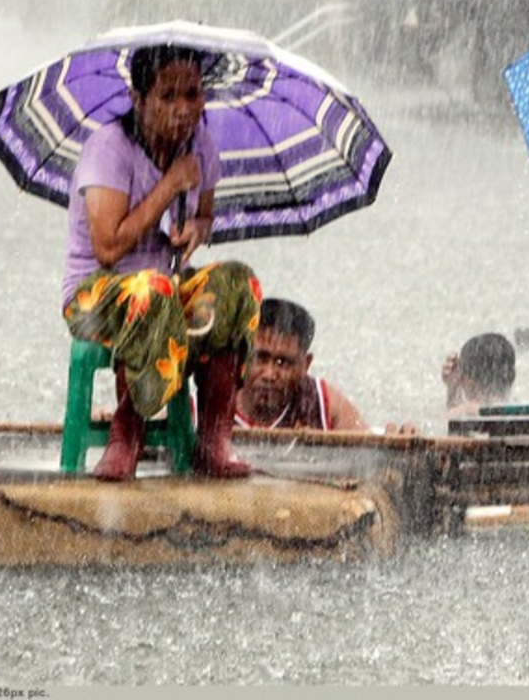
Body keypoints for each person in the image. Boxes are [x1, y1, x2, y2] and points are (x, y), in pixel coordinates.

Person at [61, 43, 263, 481]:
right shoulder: (109, 147)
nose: (182, 109)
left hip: (162, 294)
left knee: (236, 283)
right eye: (167, 96)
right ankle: (127, 430)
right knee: (152, 288)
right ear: (139, 99)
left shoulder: (200, 144)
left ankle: (213, 436)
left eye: (192, 95)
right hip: (95, 295)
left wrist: (197, 228)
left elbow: (205, 215)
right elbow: (109, 248)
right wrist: (171, 184)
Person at [234, 298, 369, 431]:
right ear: (242, 354)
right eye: (260, 358)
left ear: (306, 364)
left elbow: (368, 446)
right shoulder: (217, 397)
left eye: (282, 363)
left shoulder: (323, 404)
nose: (269, 374)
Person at [442, 332, 517, 419]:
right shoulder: (516, 409)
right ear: (512, 376)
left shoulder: (465, 410)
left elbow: (448, 423)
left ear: (466, 379)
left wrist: (453, 389)